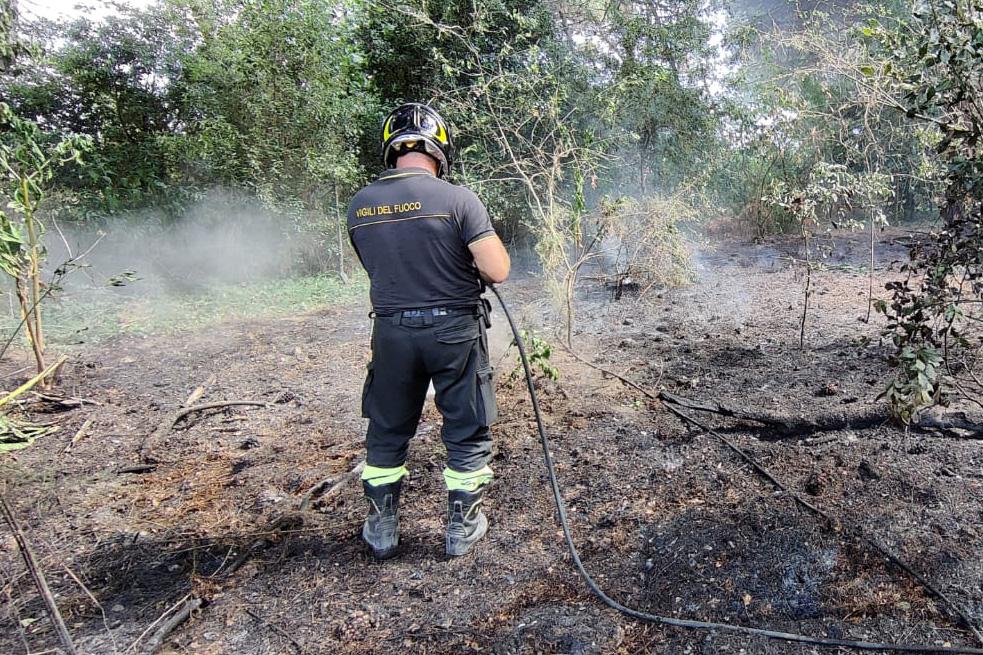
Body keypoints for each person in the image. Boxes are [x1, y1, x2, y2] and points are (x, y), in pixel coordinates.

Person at [347, 103, 511, 559]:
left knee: (387, 428)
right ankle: (462, 526)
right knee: (466, 425)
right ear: (440, 150)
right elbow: (497, 269)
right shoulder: (457, 199)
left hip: (392, 333)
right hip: (453, 332)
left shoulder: (360, 204)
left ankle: (382, 527)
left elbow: (378, 267)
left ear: (390, 150)